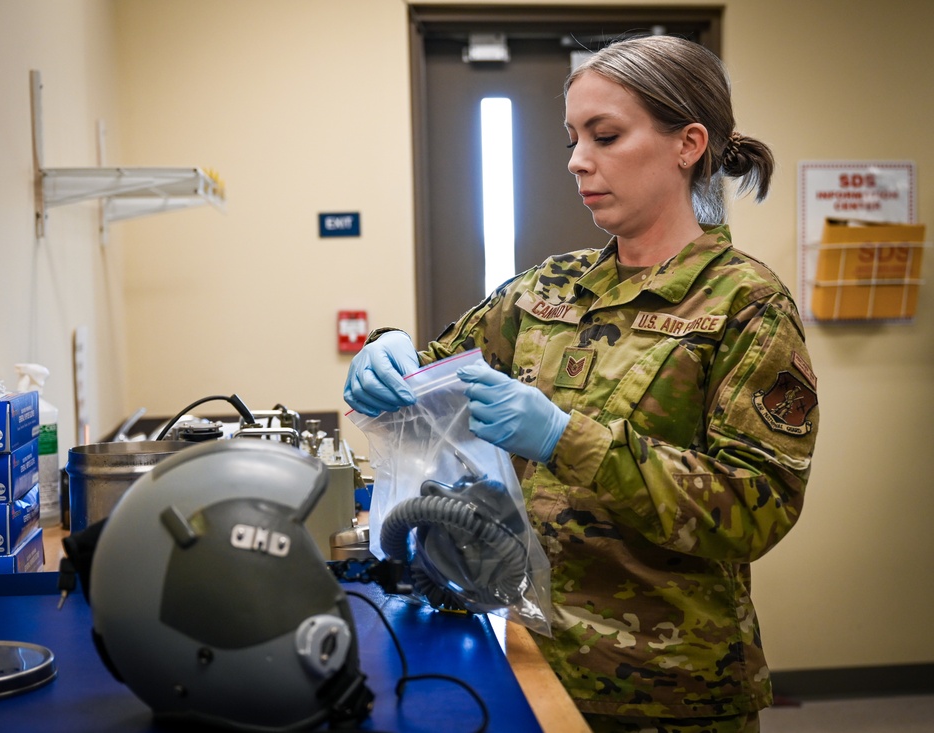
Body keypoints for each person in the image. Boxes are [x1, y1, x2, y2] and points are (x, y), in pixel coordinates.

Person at [344, 34, 819, 733]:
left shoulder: (746, 305)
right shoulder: (547, 288)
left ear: (688, 143)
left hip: (671, 693)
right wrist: (384, 353)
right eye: (573, 137)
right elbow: (426, 377)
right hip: (529, 658)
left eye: (605, 135)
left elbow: (757, 507)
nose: (577, 160)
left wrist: (567, 438)